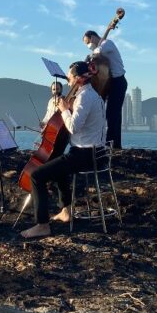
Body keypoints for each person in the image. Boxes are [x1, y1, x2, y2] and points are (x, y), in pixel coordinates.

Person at [21, 61, 106, 239]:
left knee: (37, 176)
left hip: (85, 154)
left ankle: (42, 225)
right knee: (58, 165)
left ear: (78, 79)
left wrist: (64, 110)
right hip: (94, 152)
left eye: (69, 78)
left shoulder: (85, 97)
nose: (68, 82)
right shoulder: (93, 94)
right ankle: (65, 210)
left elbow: (73, 127)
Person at [83, 30, 127, 149]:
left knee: (112, 115)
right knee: (113, 115)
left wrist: (87, 59)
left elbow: (98, 52)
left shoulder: (108, 43)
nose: (88, 46)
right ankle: (115, 144)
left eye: (87, 42)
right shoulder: (102, 45)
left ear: (92, 38)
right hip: (110, 83)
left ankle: (111, 144)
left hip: (118, 82)